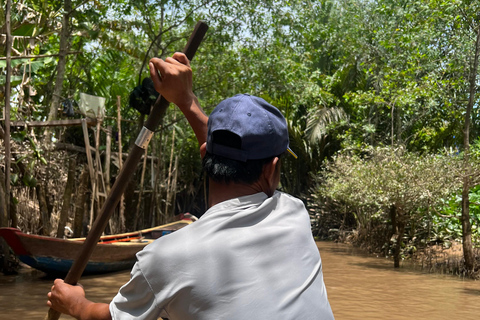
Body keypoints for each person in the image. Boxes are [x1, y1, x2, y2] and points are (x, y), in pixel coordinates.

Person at [47, 52, 334, 320]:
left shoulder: (164, 258)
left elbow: (115, 317)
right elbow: (219, 148)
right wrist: (186, 101)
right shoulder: (294, 213)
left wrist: (75, 304)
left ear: (204, 153)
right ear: (272, 170)